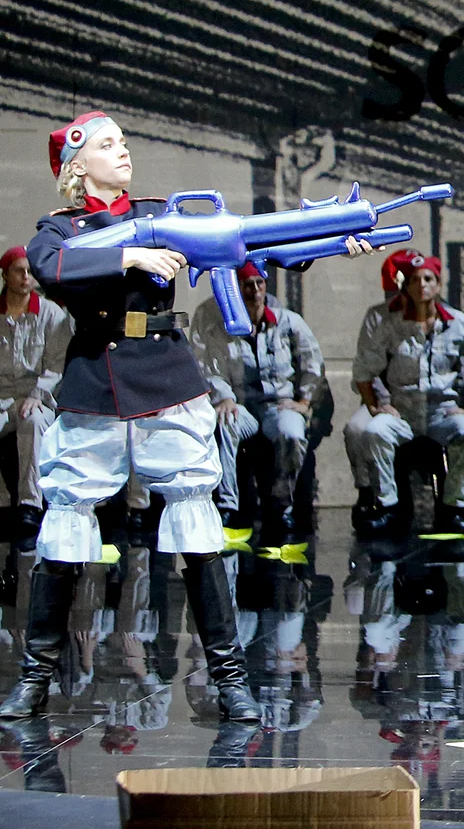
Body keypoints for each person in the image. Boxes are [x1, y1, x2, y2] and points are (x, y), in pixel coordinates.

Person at [1, 112, 271, 721]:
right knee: (64, 525)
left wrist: (318, 244)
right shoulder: (60, 229)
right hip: (95, 381)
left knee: (197, 527)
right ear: (77, 167)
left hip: (165, 376)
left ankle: (230, 680)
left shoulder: (158, 213)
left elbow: (240, 242)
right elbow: (51, 266)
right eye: (107, 145)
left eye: (123, 142)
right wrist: (130, 256)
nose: (123, 152)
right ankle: (35, 678)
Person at [346, 253, 464, 536]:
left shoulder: (459, 325)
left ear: (438, 285)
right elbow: (364, 368)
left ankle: (453, 509)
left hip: (442, 411)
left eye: (428, 279)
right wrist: (375, 406)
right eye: (415, 280)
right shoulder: (390, 324)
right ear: (406, 286)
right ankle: (388, 507)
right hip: (403, 409)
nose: (422, 285)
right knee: (375, 431)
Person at [189, 263, 324, 543]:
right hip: (241, 403)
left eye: (258, 283)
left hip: (279, 403)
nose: (254, 291)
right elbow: (209, 367)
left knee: (292, 432)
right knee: (224, 422)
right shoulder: (219, 322)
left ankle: (281, 506)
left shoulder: (287, 321)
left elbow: (312, 361)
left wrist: (304, 400)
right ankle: (228, 506)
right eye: (247, 285)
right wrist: (224, 396)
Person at [0, 245, 68, 540]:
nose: (26, 277)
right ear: (5, 275)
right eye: (19, 271)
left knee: (34, 421)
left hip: (37, 397)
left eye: (30, 272)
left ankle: (30, 503)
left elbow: (57, 364)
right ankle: (2, 503)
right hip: (2, 398)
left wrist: (38, 394)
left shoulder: (51, 313)